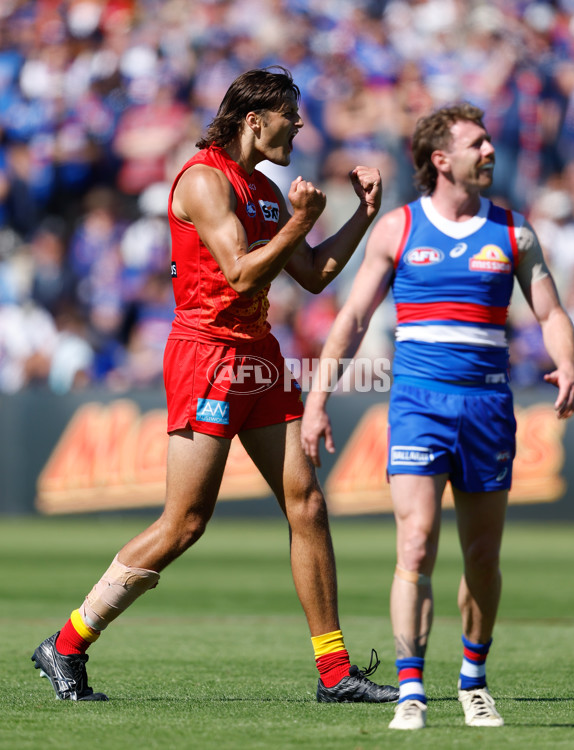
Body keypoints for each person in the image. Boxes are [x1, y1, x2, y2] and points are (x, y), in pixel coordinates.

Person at [31, 67, 399, 705]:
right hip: (205, 357)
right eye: (292, 114)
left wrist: (362, 215)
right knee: (185, 523)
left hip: (257, 354)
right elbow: (239, 276)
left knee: (307, 502)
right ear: (256, 120)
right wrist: (300, 220)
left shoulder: (263, 188)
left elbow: (312, 274)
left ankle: (336, 675)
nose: (301, 125)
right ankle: (65, 644)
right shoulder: (204, 179)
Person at [300, 102, 574, 730]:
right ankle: (410, 691)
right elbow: (351, 319)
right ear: (440, 159)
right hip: (420, 405)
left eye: (489, 142)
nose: (490, 151)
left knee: (482, 554)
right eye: (476, 143)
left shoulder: (514, 232)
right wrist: (317, 400)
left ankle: (473, 681)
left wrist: (567, 362)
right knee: (416, 543)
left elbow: (552, 312)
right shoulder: (399, 229)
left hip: (487, 409)